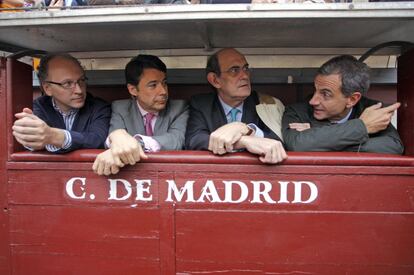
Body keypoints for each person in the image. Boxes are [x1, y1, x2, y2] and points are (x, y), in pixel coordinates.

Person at [282, 54, 404, 154]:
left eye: (326, 94)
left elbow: (393, 147)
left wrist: (321, 137)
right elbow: (299, 145)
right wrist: (362, 127)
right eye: (315, 90)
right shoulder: (297, 111)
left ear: (352, 99)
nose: (313, 101)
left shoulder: (371, 110)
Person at [185, 48, 287, 164]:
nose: (244, 76)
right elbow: (194, 140)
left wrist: (248, 129)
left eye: (246, 69)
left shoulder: (267, 103)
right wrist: (244, 141)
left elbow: (280, 142)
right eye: (234, 70)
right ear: (215, 80)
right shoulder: (201, 104)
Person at [93, 54, 188, 175]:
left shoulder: (179, 107)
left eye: (164, 83)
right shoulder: (120, 108)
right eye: (153, 85)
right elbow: (115, 140)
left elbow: (176, 141)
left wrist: (137, 143)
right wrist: (116, 138)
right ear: (133, 90)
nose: (163, 91)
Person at [12, 53, 111, 153]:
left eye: (81, 80)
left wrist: (54, 136)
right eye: (68, 83)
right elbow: (31, 141)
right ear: (47, 88)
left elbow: (98, 140)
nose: (79, 90)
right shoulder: (36, 108)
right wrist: (31, 137)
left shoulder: (99, 108)